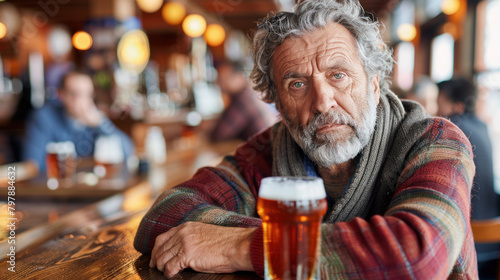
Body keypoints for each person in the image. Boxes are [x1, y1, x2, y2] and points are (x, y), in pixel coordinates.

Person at [134, 0, 478, 278]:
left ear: (374, 85)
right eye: (297, 84)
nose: (322, 101)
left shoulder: (436, 141)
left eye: (338, 75)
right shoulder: (269, 150)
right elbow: (162, 218)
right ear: (279, 104)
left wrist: (241, 246)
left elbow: (419, 255)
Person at [437, 77, 498, 279]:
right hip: (492, 239)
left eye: (440, 102)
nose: (437, 108)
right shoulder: (482, 125)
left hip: (469, 247)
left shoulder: (450, 128)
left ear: (457, 105)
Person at [22, 70, 134, 171]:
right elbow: (33, 165)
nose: (81, 101)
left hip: (91, 189)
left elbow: (128, 151)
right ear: (61, 95)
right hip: (56, 190)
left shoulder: (96, 121)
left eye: (87, 95)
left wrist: (101, 123)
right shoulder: (44, 117)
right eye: (75, 94)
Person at [210, 60, 277, 142]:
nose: (219, 84)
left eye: (224, 79)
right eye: (219, 79)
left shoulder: (243, 100)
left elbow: (220, 135)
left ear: (239, 77)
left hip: (262, 152)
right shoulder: (249, 93)